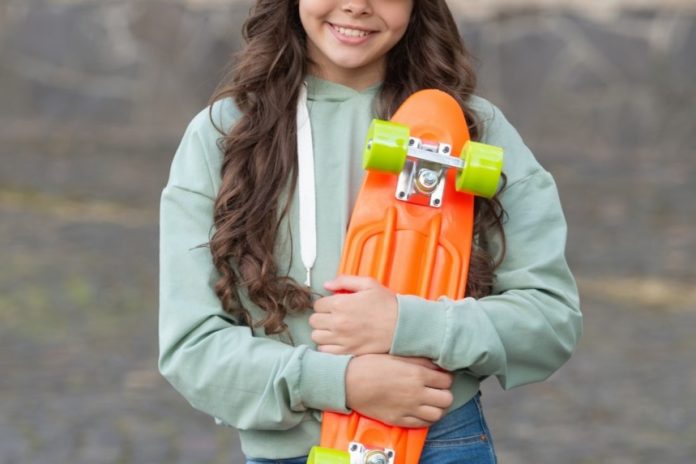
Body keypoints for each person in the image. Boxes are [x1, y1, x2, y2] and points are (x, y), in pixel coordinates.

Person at [158, 0, 583, 462]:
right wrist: (341, 383)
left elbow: (549, 320)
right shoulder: (223, 136)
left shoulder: (473, 132)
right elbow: (191, 349)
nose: (357, 5)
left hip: (440, 442)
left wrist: (409, 324)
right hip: (289, 450)